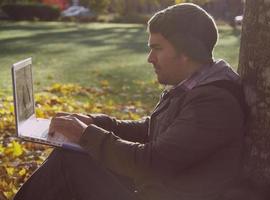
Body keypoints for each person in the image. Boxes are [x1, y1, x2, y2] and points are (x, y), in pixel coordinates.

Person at [14, 3, 246, 200]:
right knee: (71, 156)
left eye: (157, 48)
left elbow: (152, 163)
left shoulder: (214, 102)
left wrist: (86, 135)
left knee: (69, 164)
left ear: (186, 51)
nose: (149, 58)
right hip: (157, 188)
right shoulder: (194, 85)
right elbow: (151, 129)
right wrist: (94, 122)